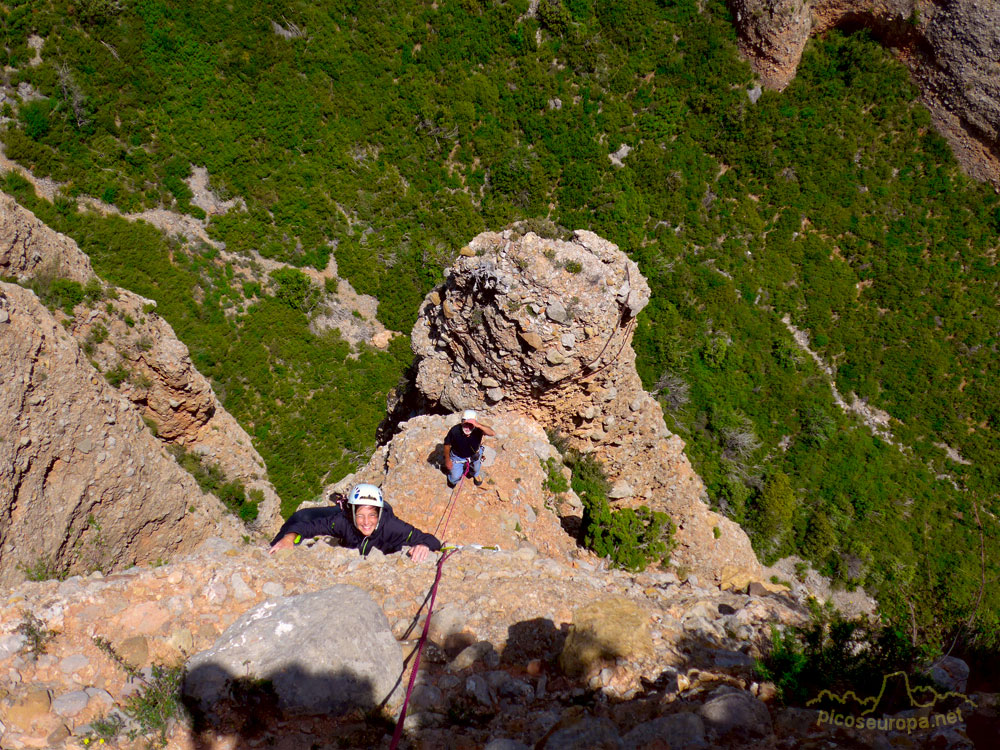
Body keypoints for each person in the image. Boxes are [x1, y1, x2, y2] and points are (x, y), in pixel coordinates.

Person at [269, 483, 440, 562]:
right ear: (352, 513)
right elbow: (307, 526)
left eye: (372, 515)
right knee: (302, 516)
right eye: (360, 515)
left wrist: (423, 545)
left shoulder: (391, 526)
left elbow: (431, 540)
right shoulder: (343, 521)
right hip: (345, 527)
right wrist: (289, 538)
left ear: (379, 514)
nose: (366, 522)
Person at [443, 409, 495, 488]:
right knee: (455, 477)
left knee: (476, 468)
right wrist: (447, 460)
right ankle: (452, 480)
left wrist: (479, 425)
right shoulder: (455, 431)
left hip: (474, 454)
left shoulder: (478, 429)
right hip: (458, 457)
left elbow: (492, 433)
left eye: (470, 425)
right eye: (465, 424)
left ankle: (475, 474)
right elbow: (447, 444)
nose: (467, 427)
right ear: (462, 422)